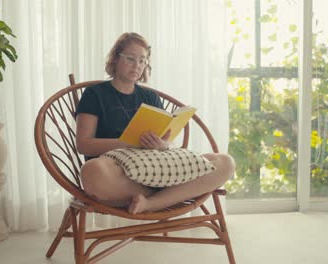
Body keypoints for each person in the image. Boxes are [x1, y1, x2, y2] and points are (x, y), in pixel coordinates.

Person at [76, 32, 235, 214]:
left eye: (143, 61)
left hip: (155, 167)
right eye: (131, 59)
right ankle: (169, 193)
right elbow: (84, 145)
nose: (137, 66)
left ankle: (151, 203)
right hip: (118, 172)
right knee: (92, 172)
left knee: (224, 162)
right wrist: (128, 142)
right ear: (115, 59)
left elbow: (168, 140)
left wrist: (163, 146)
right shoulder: (95, 94)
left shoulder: (150, 96)